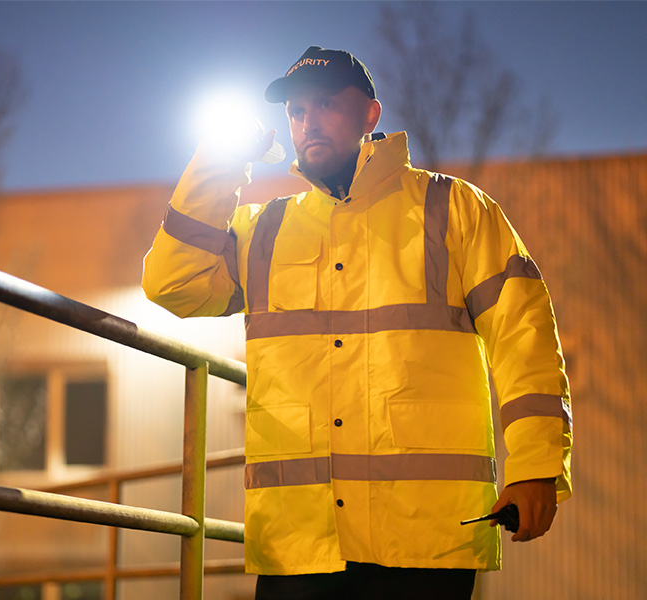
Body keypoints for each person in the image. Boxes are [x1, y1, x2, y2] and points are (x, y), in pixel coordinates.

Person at [142, 46, 572, 599]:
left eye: (325, 104)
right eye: (296, 111)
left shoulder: (453, 208)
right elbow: (172, 283)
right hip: (299, 542)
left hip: (422, 539)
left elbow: (524, 338)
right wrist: (219, 163)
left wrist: (536, 467)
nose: (308, 122)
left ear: (370, 114)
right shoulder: (264, 230)